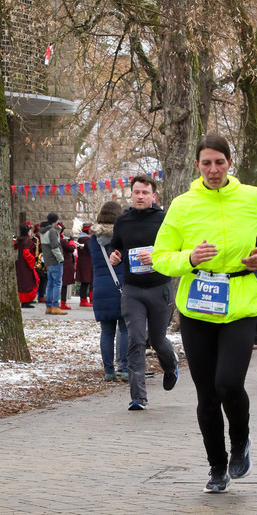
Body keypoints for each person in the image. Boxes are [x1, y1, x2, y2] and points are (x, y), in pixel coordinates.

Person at [152, 134, 257, 493]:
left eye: (219, 162)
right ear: (198, 165)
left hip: (240, 303)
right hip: (197, 306)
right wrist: (189, 258)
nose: (212, 169)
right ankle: (216, 466)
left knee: (228, 383)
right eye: (206, 163)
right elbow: (162, 257)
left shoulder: (252, 197)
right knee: (206, 393)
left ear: (229, 163)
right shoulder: (182, 205)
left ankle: (241, 442)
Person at [110, 175, 178, 411]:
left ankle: (171, 366)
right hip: (133, 290)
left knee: (157, 340)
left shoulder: (164, 220)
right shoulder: (122, 221)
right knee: (136, 339)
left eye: (145, 193)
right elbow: (115, 245)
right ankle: (138, 397)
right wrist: (115, 255)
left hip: (160, 288)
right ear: (131, 194)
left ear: (153, 196)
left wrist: (157, 257)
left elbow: (176, 249)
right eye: (136, 192)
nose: (140, 196)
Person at [89, 202, 128, 381]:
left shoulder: (93, 240)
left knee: (106, 331)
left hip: (100, 288)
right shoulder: (122, 237)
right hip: (121, 285)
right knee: (125, 329)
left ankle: (108, 371)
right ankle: (125, 367)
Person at [38, 212, 67, 315]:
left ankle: (48, 306)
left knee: (50, 284)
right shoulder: (52, 231)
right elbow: (54, 246)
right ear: (55, 220)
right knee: (57, 283)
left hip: (48, 260)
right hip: (55, 260)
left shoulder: (44, 231)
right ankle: (55, 305)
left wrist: (58, 230)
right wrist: (61, 258)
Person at [15, 222, 39, 308]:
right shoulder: (27, 240)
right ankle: (26, 301)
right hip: (26, 265)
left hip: (21, 264)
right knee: (28, 282)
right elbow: (26, 253)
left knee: (23, 283)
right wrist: (33, 261)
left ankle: (25, 300)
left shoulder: (20, 239)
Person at [59, 224, 77, 310]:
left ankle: (53, 302)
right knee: (64, 285)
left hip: (59, 263)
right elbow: (71, 248)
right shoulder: (62, 240)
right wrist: (72, 242)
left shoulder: (57, 239)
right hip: (64, 264)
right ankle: (62, 303)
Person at [76, 224, 93, 306]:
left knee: (86, 282)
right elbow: (91, 249)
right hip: (87, 263)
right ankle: (84, 300)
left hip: (84, 262)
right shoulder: (86, 240)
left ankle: (85, 300)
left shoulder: (81, 239)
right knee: (86, 282)